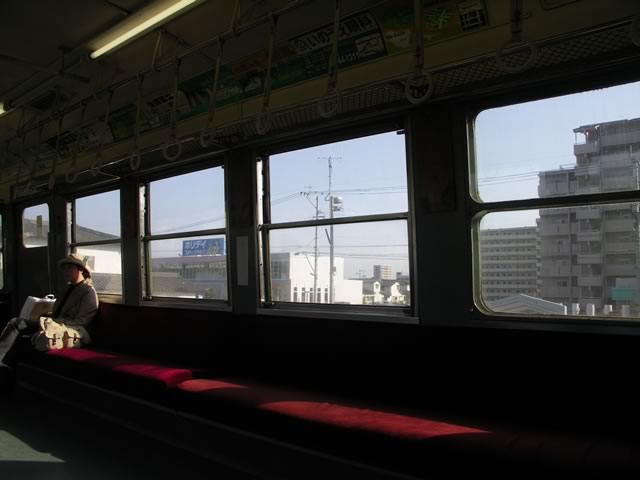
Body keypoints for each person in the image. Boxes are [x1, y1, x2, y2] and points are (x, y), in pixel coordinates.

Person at [0, 253, 98, 368]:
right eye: (64, 268)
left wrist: (53, 322)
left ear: (81, 269)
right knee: (17, 323)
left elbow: (82, 321)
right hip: (56, 324)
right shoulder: (69, 289)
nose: (65, 271)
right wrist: (48, 318)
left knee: (26, 336)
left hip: (72, 331)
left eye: (69, 268)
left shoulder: (88, 292)